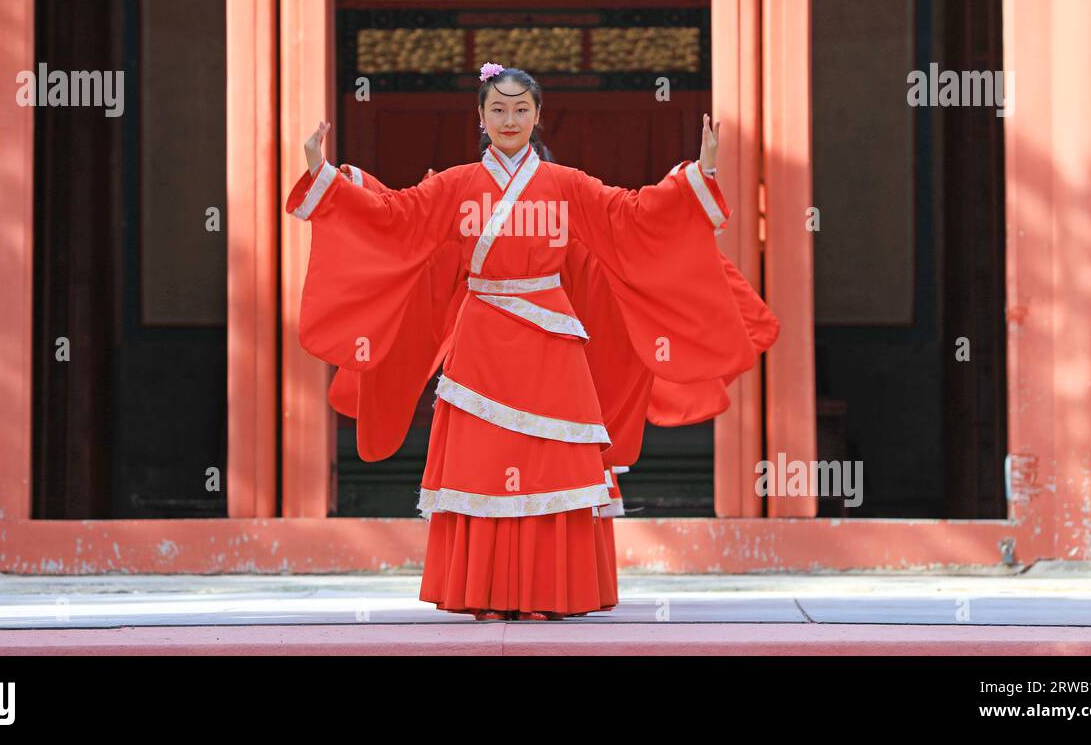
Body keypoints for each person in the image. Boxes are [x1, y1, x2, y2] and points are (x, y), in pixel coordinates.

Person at [287, 62, 777, 620]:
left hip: (550, 333)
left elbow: (632, 216)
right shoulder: (454, 184)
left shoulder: (566, 184)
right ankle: (486, 592)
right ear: (480, 117)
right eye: (498, 108)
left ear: (538, 115)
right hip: (481, 335)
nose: (510, 119)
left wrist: (699, 172)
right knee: (486, 459)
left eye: (521, 108)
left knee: (550, 461)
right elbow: (394, 218)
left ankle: (549, 591)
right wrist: (322, 173)